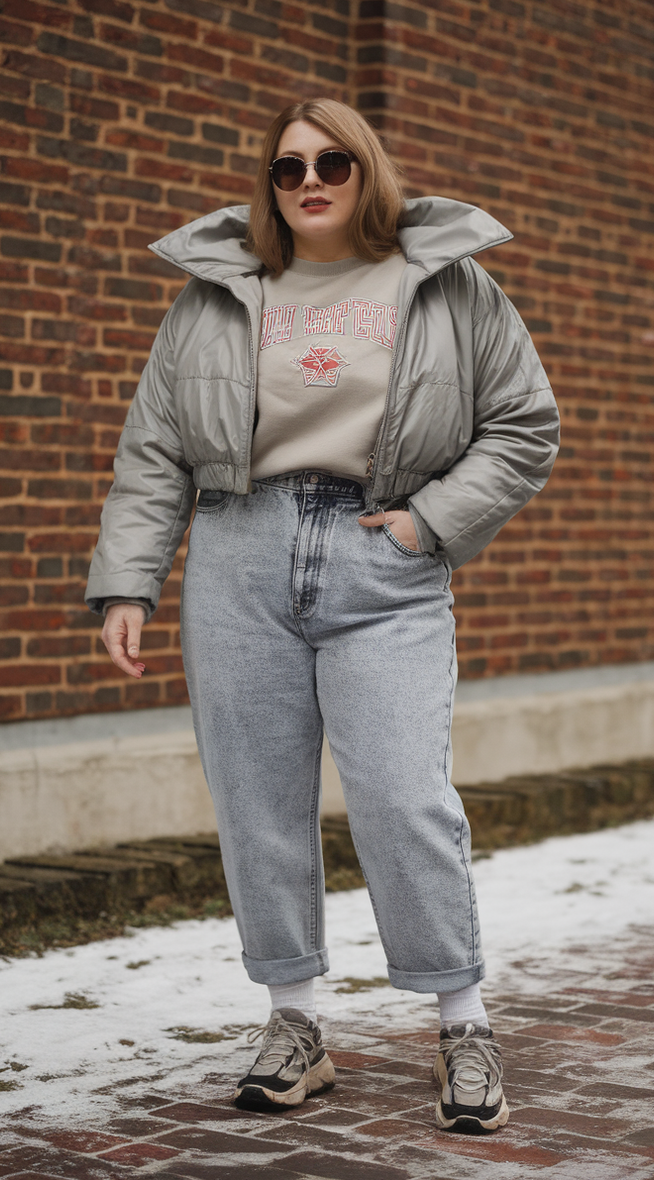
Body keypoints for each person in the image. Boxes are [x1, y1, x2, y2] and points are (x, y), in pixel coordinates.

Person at [86, 98, 559, 1133]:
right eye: (287, 165)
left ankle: (462, 1025)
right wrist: (128, 581)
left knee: (401, 798)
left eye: (334, 162)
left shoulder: (447, 283)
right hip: (237, 556)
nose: (309, 180)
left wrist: (424, 525)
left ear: (369, 172)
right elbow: (155, 450)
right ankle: (294, 1024)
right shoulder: (218, 292)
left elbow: (523, 427)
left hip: (379, 557)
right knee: (257, 802)